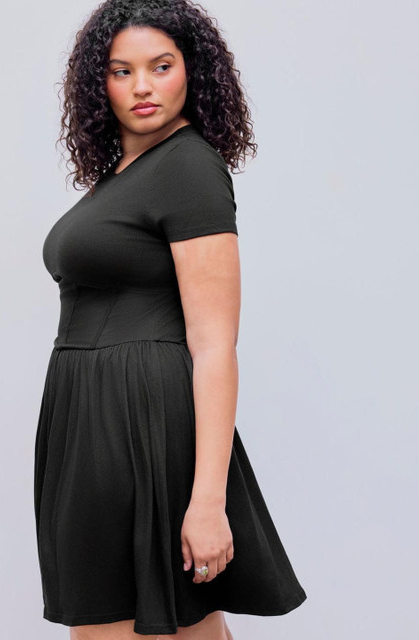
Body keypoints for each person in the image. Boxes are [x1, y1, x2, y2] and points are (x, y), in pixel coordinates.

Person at [33, 1, 307, 639]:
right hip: (90, 419)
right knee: (175, 628)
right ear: (98, 83)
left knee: (123, 627)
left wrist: (208, 500)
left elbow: (214, 345)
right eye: (121, 71)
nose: (142, 86)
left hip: (143, 424)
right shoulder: (126, 174)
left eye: (161, 66)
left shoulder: (187, 165)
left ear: (193, 71)